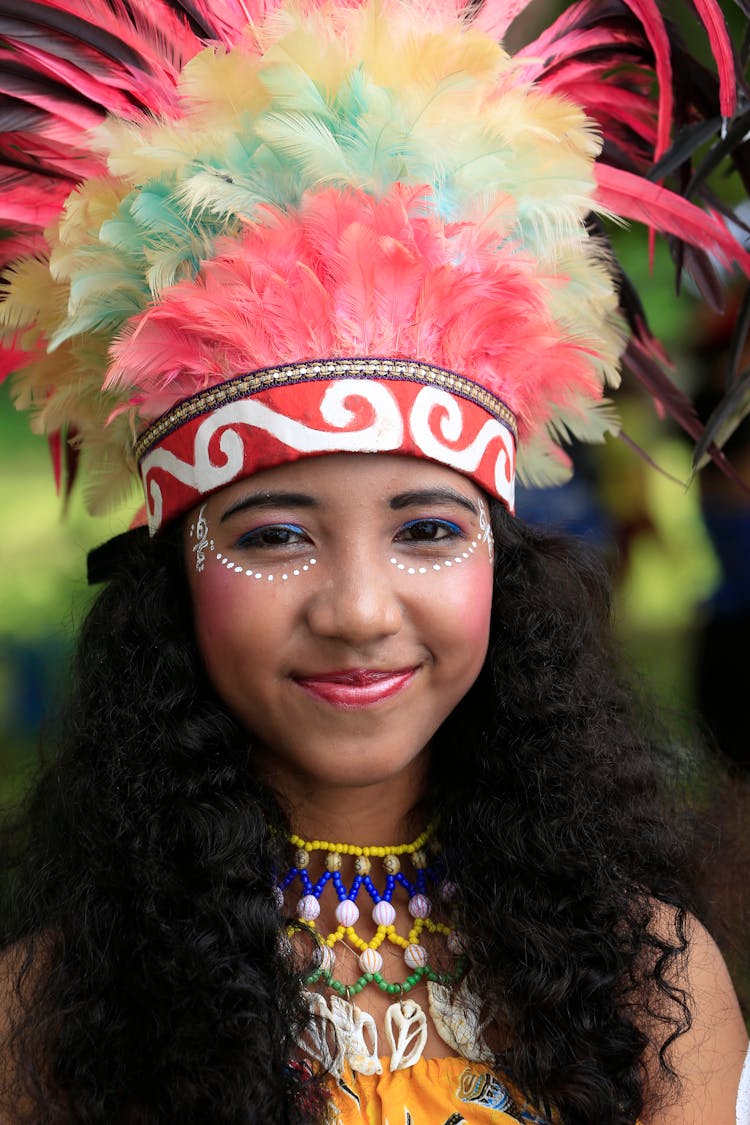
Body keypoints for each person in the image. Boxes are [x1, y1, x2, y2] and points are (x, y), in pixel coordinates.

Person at [0, 1, 748, 1122]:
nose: (358, 610)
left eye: (429, 530)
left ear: (503, 561)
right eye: (275, 535)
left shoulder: (655, 981)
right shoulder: (49, 1016)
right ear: (175, 577)